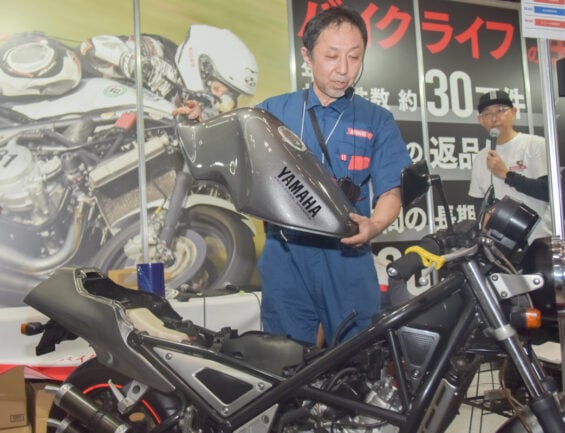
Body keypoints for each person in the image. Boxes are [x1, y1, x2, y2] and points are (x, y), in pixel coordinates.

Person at [256, 7, 411, 345]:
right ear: (307, 56)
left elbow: (391, 191)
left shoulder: (376, 120)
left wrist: (375, 225)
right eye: (331, 56)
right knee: (284, 359)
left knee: (357, 358)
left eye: (354, 57)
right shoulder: (271, 113)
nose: (343, 69)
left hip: (348, 257)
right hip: (285, 254)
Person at [0, 26, 258, 117]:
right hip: (67, 96)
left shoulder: (193, 115)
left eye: (230, 100)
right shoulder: (160, 53)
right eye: (219, 91)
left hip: (96, 145)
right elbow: (93, 46)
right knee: (63, 65)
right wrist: (132, 62)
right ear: (202, 65)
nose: (220, 103)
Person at [468, 90, 552, 243]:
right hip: (497, 246)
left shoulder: (535, 144)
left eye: (500, 110)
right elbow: (478, 200)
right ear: (481, 120)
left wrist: (508, 175)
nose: (494, 118)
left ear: (513, 112)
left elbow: (548, 191)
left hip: (537, 240)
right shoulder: (481, 157)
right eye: (487, 114)